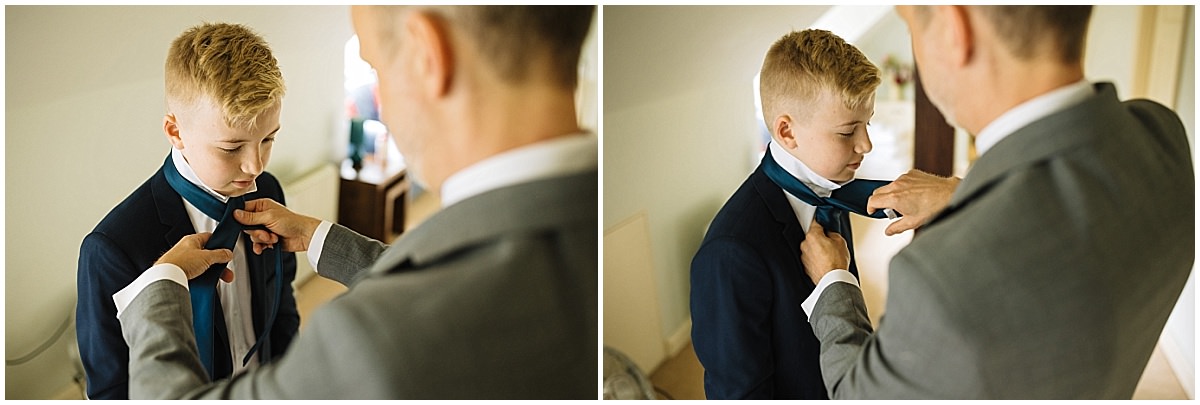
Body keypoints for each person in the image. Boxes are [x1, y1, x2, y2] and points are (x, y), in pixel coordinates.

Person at [110, 5, 597, 399]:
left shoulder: (373, 339)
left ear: (428, 55)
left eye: (374, 66)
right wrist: (317, 235)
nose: (254, 166)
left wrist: (162, 283)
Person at [799, 5, 1194, 398]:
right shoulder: (1161, 136)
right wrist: (965, 192)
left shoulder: (940, 281)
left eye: (911, 26)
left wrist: (835, 282)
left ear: (956, 30)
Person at [75, 22, 299, 400]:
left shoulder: (269, 193)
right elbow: (113, 387)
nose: (255, 166)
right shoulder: (111, 248)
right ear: (175, 132)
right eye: (231, 148)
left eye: (268, 139)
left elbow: (282, 303)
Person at [690, 29, 890, 399]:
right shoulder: (730, 252)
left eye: (868, 124)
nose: (866, 145)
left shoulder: (832, 193)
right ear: (787, 132)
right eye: (848, 132)